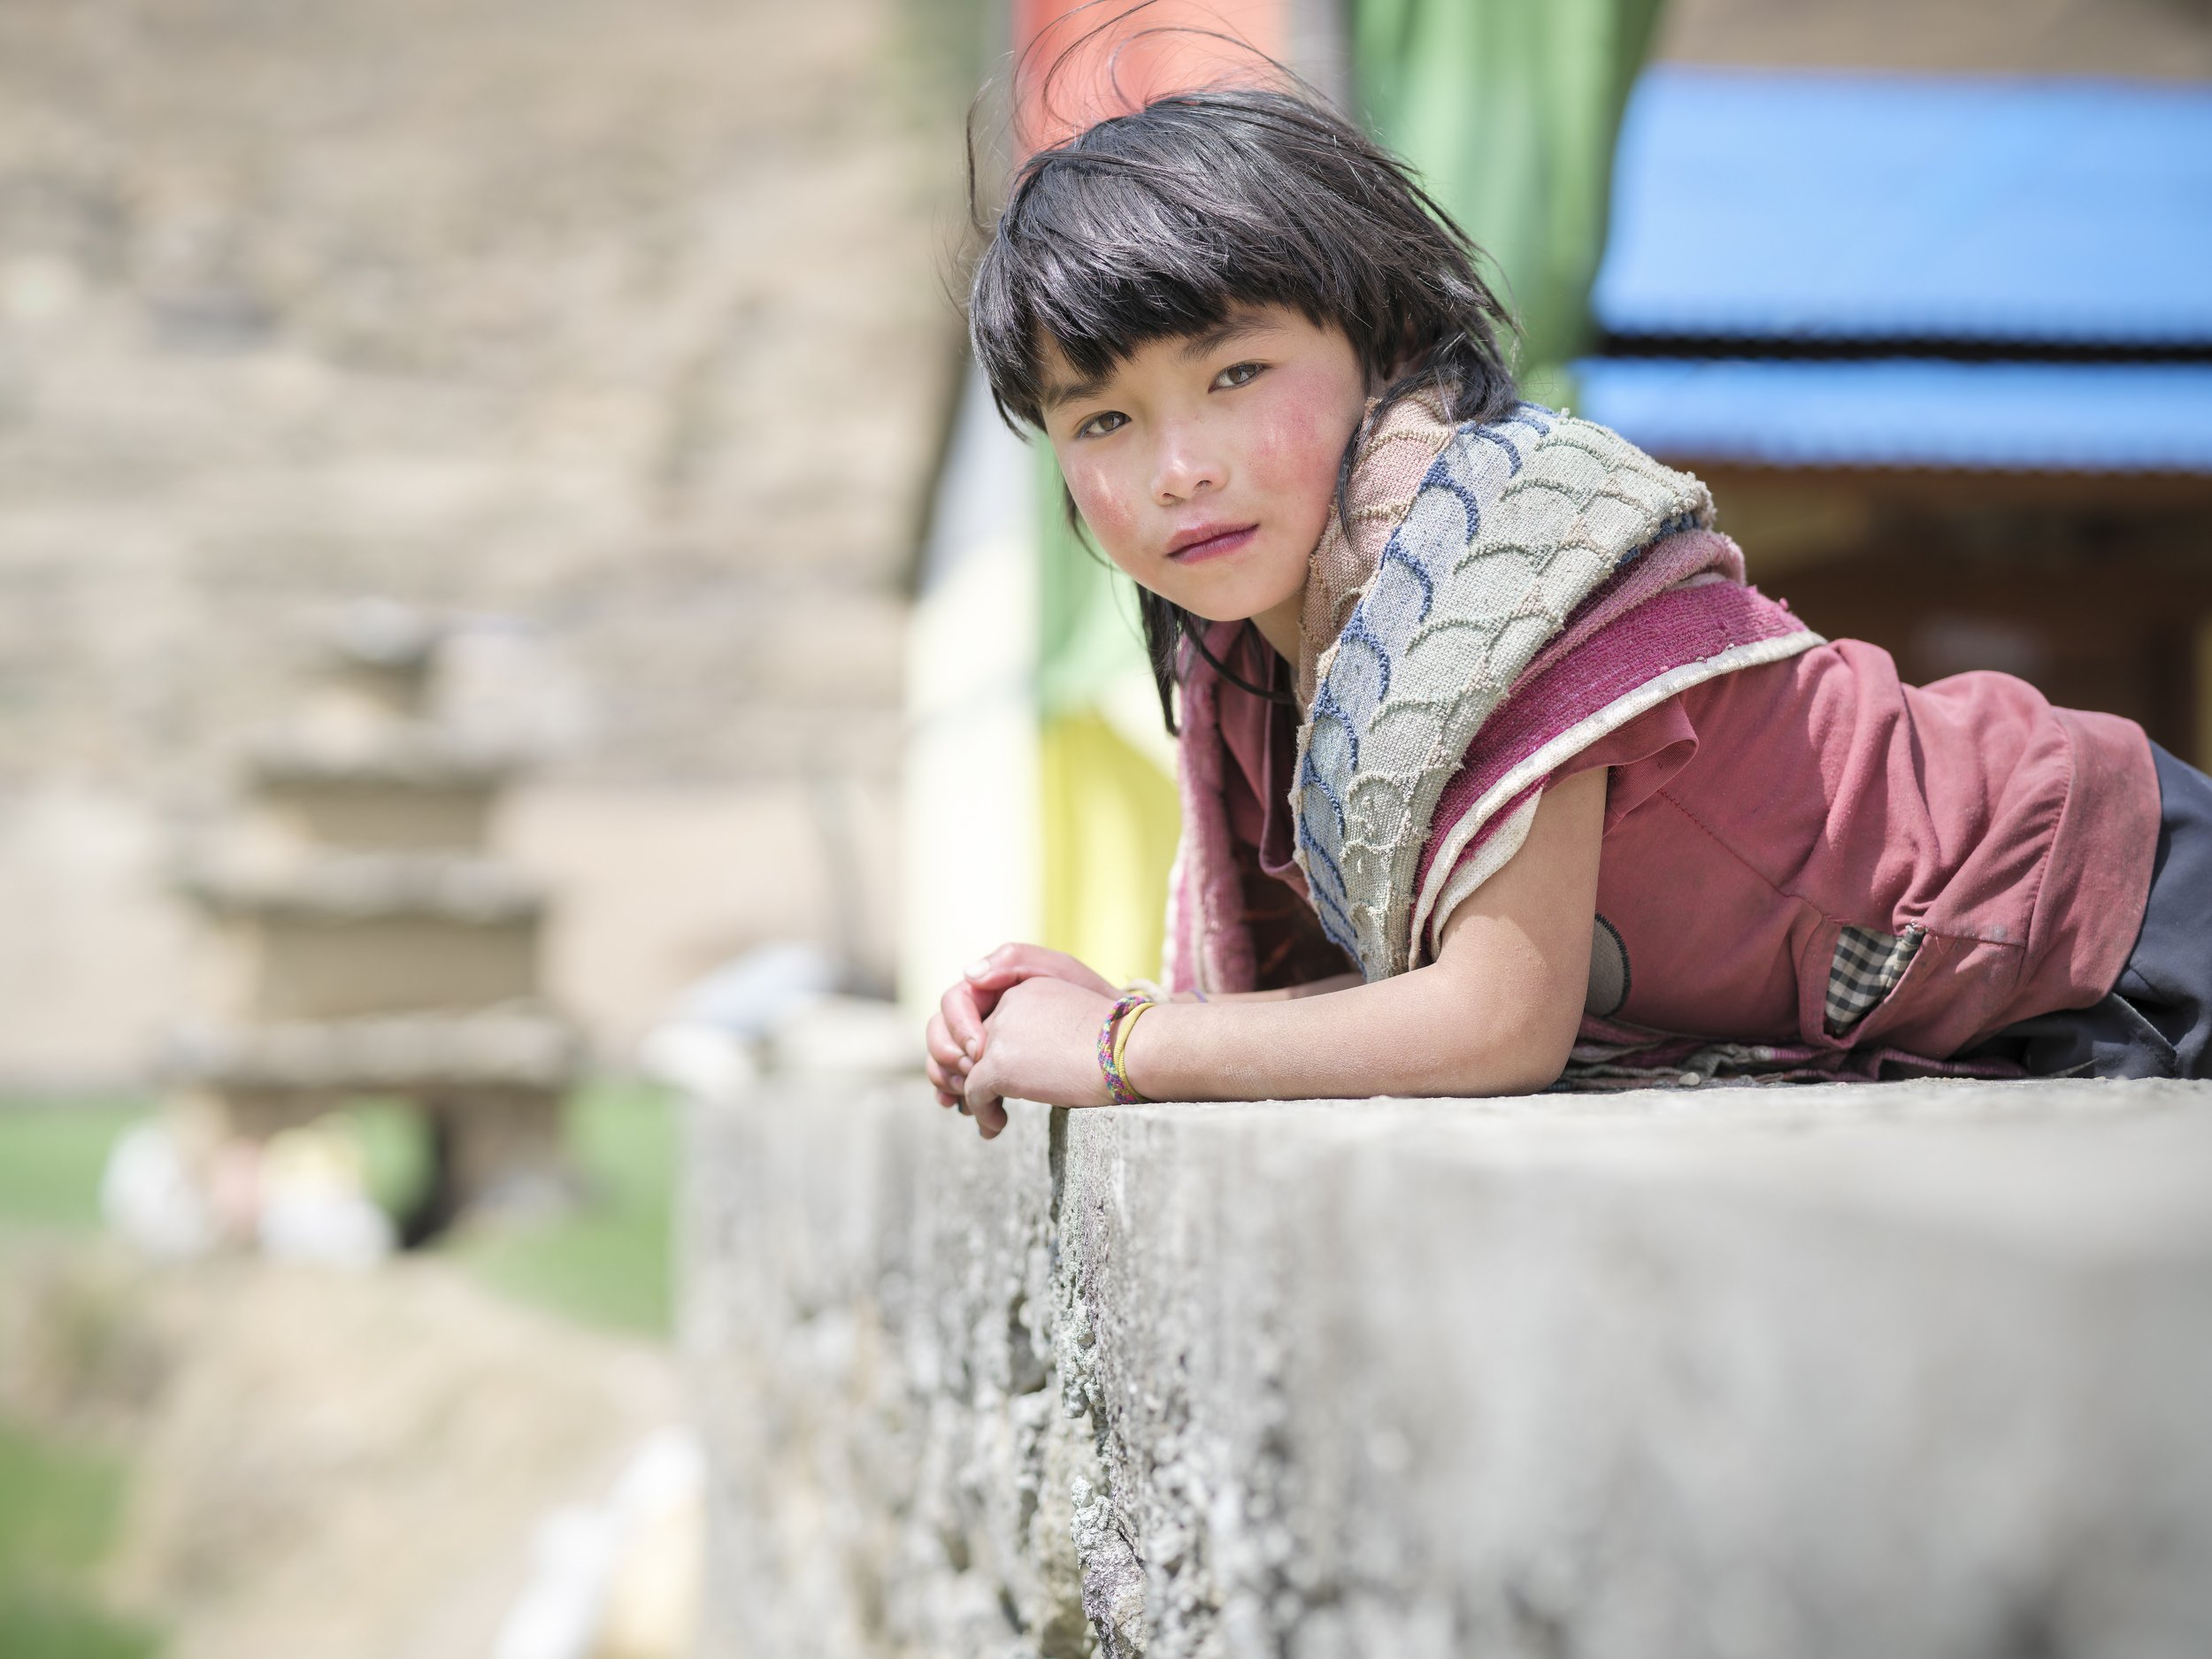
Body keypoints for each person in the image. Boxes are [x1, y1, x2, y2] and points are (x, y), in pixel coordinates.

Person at [924, 81, 2211, 1139]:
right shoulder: (1252, 654)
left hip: (2111, 920)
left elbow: (1493, 1020)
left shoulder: (1495, 557)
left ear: (1384, 345)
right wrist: (1096, 1009)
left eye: (1238, 372)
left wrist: (1117, 1042)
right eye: (1103, 418)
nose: (1178, 468)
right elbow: (1324, 1009)